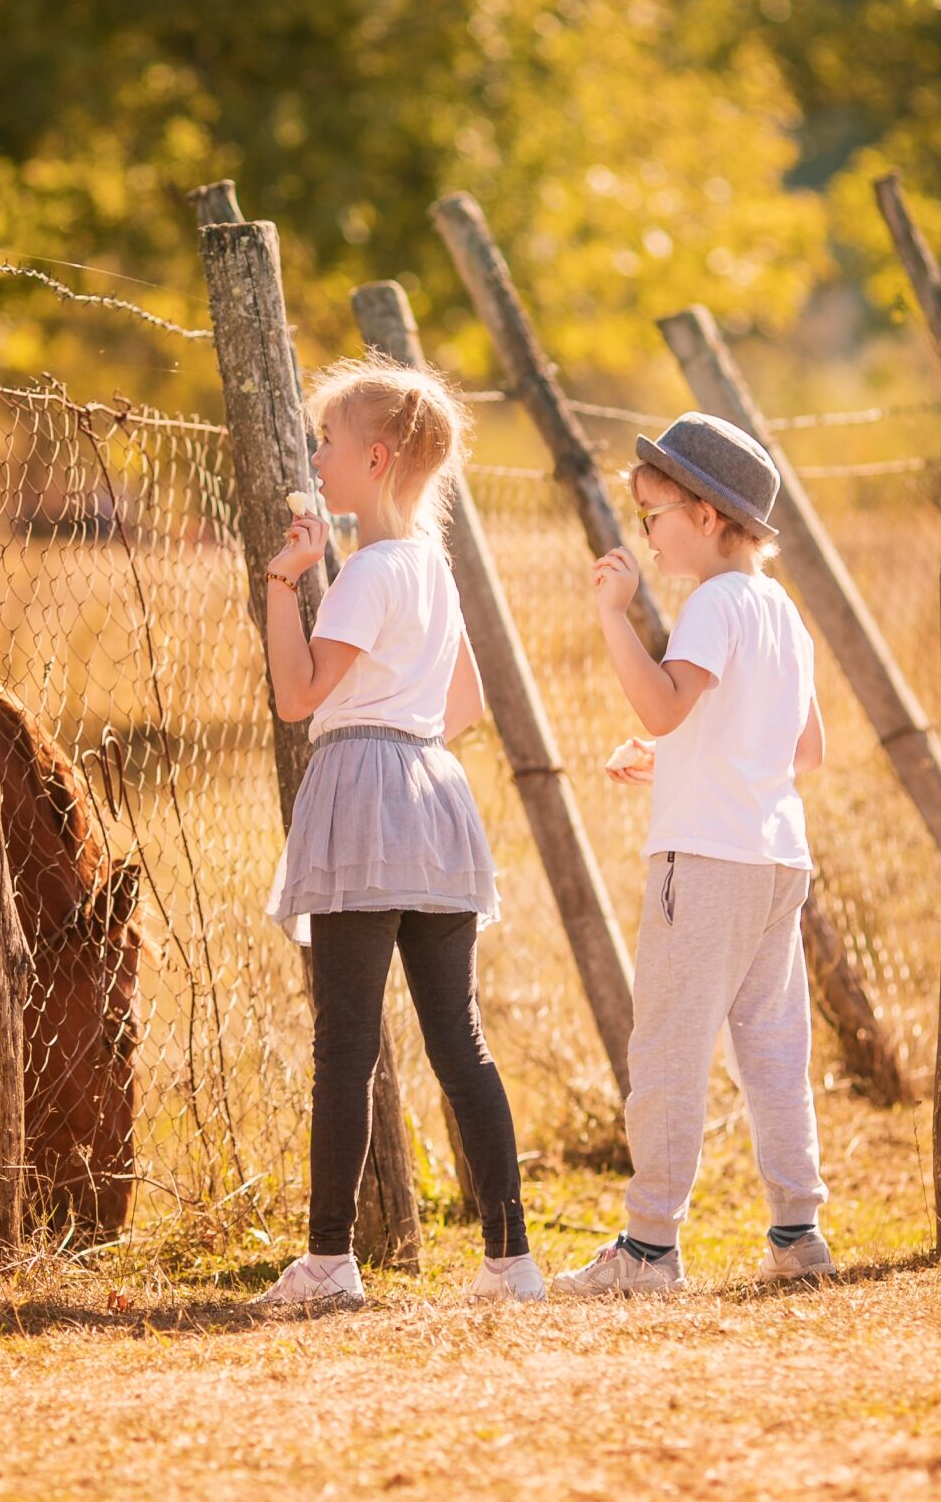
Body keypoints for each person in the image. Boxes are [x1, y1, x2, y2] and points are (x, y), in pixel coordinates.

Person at [252, 357, 540, 1307]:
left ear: (375, 457)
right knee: (458, 1037)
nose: (317, 457)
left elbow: (297, 698)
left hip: (365, 789)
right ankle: (511, 1261)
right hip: (433, 788)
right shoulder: (432, 567)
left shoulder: (366, 571)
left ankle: (331, 1262)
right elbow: (464, 700)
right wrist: (401, 728)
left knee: (346, 1041)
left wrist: (283, 583)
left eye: (328, 441)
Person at [554, 411, 838, 1296]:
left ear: (708, 515)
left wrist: (613, 617)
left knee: (670, 1048)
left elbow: (664, 706)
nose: (647, 531)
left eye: (654, 512)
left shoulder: (710, 602)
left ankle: (646, 1250)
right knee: (774, 1049)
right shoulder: (781, 611)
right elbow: (805, 750)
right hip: (776, 860)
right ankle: (799, 1232)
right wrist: (680, 756)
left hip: (704, 862)